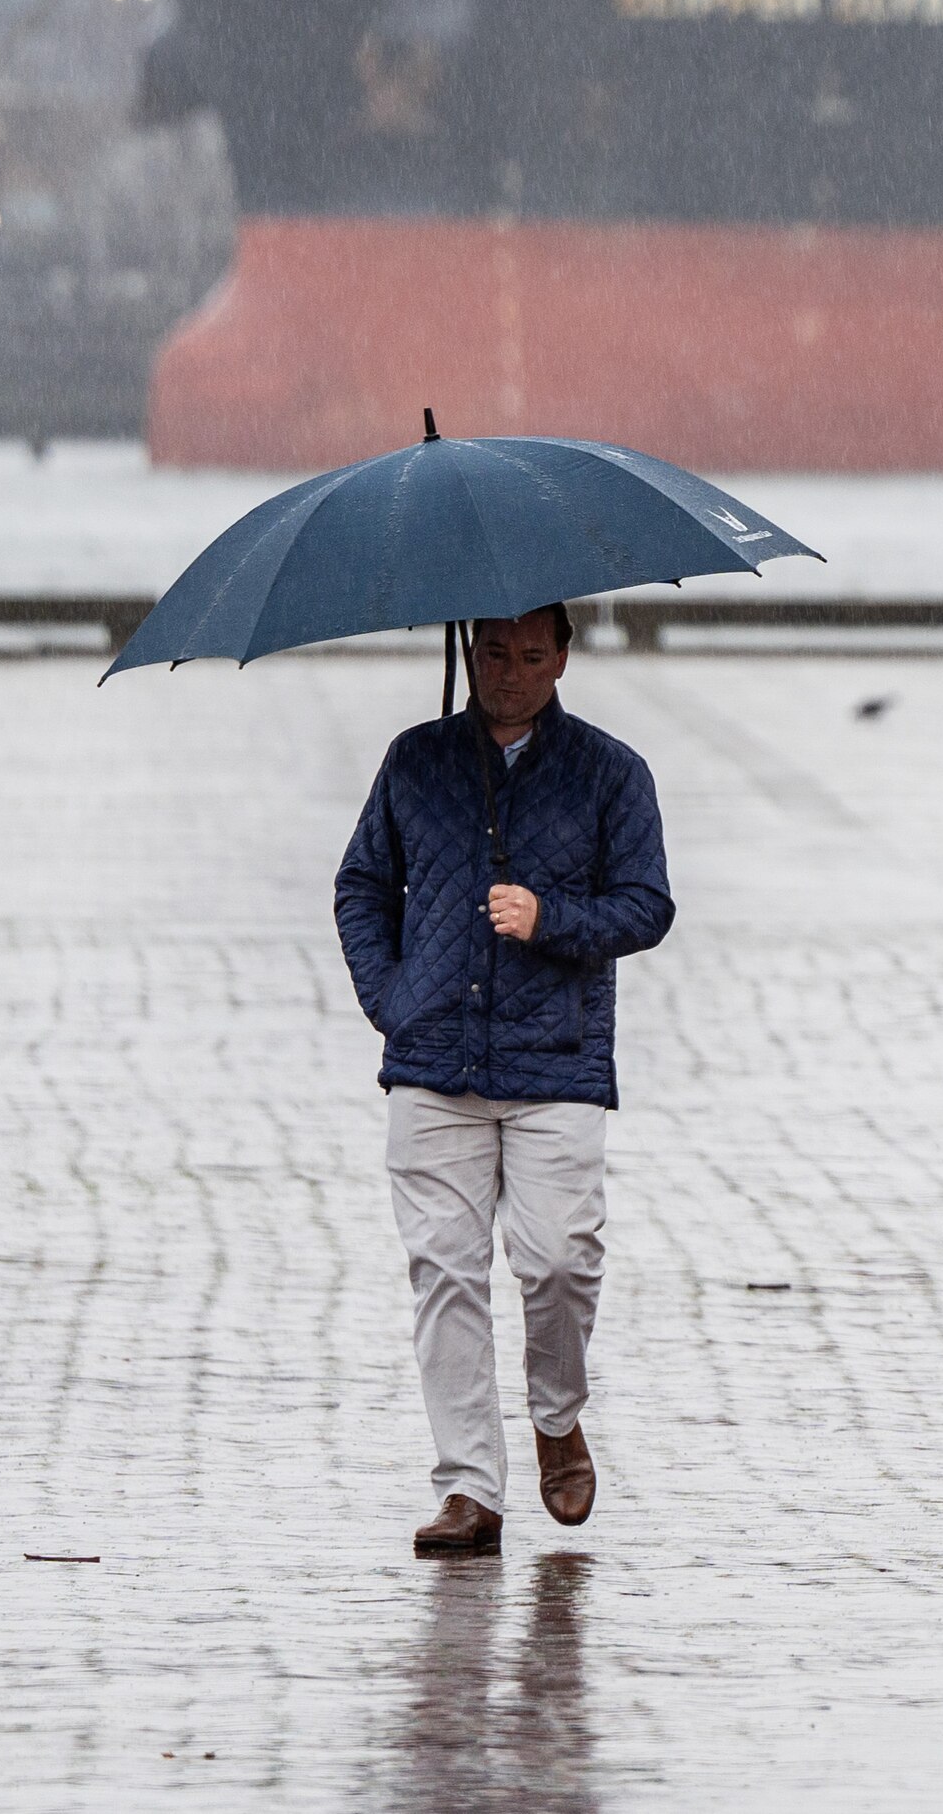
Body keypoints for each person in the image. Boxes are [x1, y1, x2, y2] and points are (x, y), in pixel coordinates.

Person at [333, 603, 675, 1558]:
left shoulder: (612, 773)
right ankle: (470, 1490)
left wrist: (550, 916)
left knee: (559, 1259)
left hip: (555, 1060)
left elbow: (648, 904)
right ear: (467, 647)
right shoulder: (416, 762)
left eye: (532, 656)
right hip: (432, 1060)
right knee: (443, 1273)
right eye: (492, 653)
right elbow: (361, 885)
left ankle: (557, 1417)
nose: (509, 673)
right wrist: (393, 999)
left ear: (564, 657)